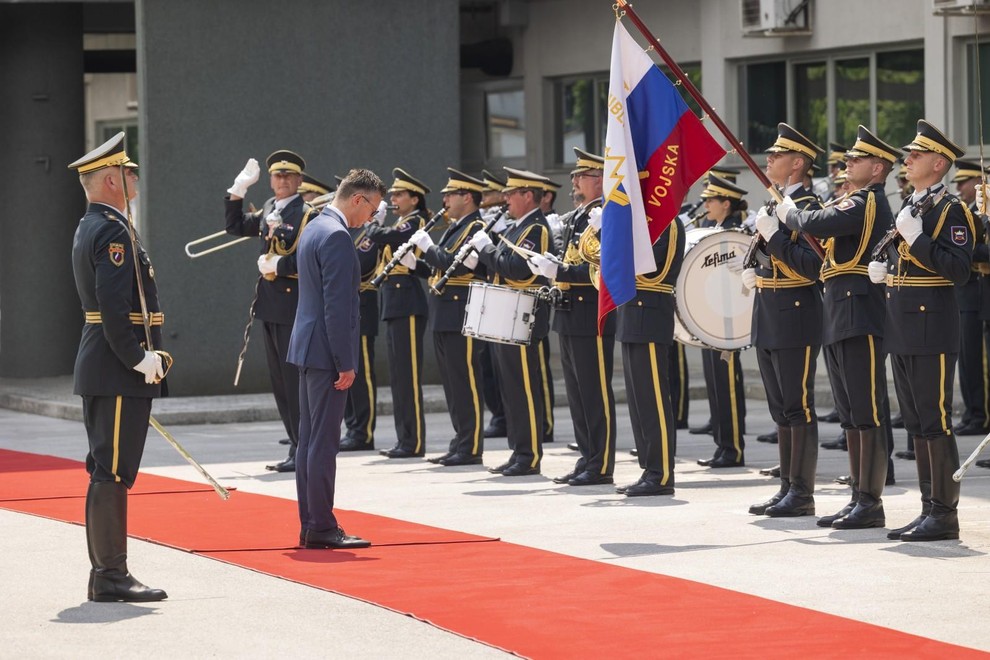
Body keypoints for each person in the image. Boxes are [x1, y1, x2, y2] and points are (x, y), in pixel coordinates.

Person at [776, 125, 897, 530]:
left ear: (877, 168)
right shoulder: (855, 199)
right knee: (850, 413)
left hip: (860, 311)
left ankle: (871, 502)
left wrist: (789, 214)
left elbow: (818, 222)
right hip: (841, 310)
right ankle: (857, 497)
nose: (847, 163)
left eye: (856, 159)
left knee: (867, 409)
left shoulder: (866, 201)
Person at [69, 132, 168, 602]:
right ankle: (111, 576)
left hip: (106, 365)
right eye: (129, 172)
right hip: (116, 367)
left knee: (107, 469)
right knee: (111, 471)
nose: (135, 178)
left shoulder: (96, 223)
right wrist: (137, 358)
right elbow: (112, 305)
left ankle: (106, 573)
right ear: (111, 180)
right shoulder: (111, 230)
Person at [867, 120, 974, 542]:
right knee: (916, 422)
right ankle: (929, 507)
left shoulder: (951, 210)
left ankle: (945, 513)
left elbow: (958, 269)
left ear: (938, 163)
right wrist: (887, 268)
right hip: (903, 322)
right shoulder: (914, 205)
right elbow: (907, 261)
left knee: (935, 419)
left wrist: (917, 241)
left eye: (915, 154)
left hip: (932, 324)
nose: (906, 159)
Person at [288, 168, 385, 550]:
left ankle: (311, 523)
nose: (372, 218)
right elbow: (337, 307)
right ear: (357, 199)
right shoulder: (339, 237)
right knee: (323, 443)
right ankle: (322, 526)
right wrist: (347, 361)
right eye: (373, 209)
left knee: (309, 441)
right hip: (328, 352)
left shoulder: (313, 227)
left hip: (307, 347)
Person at [743, 123, 824, 517]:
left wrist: (774, 238)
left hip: (796, 314)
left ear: (797, 163)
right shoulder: (773, 203)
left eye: (777, 154)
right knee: (779, 408)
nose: (769, 158)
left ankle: (802, 494)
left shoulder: (808, 209)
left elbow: (815, 266)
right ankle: (787, 487)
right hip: (768, 311)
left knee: (798, 406)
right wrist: (753, 264)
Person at [529, 148, 617, 486]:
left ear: (599, 181)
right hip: (568, 311)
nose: (574, 181)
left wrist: (561, 269)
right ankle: (587, 458)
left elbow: (602, 267)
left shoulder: (606, 214)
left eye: (581, 176)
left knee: (594, 391)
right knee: (578, 394)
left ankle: (602, 463)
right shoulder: (579, 215)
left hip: (591, 313)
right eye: (574, 176)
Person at [225, 150, 315, 473]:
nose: (282, 181)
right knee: (280, 384)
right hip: (268, 306)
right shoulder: (268, 209)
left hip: (292, 308)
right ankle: (295, 444)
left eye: (289, 176)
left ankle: (302, 447)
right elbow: (235, 226)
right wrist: (238, 190)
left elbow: (311, 259)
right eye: (277, 176)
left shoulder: (308, 215)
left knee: (294, 383)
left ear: (300, 181)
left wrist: (280, 264)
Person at [469, 168, 553, 476]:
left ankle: (529, 455)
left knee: (523, 388)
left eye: (510, 194)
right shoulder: (517, 227)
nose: (505, 200)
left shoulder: (536, 229)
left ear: (527, 196)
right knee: (511, 388)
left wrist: (487, 250)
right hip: (506, 314)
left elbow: (519, 269)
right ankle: (518, 451)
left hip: (522, 315)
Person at [407, 169, 489, 466]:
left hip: (462, 310)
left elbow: (458, 266)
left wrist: (428, 248)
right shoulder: (456, 227)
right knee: (452, 382)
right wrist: (416, 263)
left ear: (467, 197)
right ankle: (460, 441)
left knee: (465, 379)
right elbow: (439, 270)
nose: (444, 199)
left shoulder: (476, 227)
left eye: (450, 194)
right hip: (444, 310)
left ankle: (471, 446)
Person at [612, 216, 686, 496]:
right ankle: (649, 469)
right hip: (631, 314)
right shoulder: (641, 223)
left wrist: (619, 246)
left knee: (654, 399)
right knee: (639, 401)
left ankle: (662, 473)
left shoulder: (669, 223)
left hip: (651, 313)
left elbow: (655, 271)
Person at [365, 168, 430, 459]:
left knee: (408, 376)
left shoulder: (416, 221)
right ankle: (404, 439)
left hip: (408, 302)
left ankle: (413, 441)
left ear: (414, 199)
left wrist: (372, 223)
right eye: (392, 193)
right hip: (393, 302)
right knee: (398, 377)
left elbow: (386, 237)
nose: (394, 198)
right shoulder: (403, 220)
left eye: (400, 194)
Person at [695, 175, 748, 468]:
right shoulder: (713, 230)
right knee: (716, 386)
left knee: (726, 386)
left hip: (726, 321)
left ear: (726, 203)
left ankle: (733, 449)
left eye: (710, 200)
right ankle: (722, 445)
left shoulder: (733, 233)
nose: (705, 204)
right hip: (711, 318)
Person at [949, 160, 990, 436]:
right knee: (967, 360)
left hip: (979, 294)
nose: (963, 188)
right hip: (968, 294)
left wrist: (964, 251)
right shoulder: (972, 213)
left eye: (967, 182)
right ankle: (974, 414)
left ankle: (981, 416)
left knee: (980, 364)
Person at [340, 209, 383, 451]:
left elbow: (361, 263)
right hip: (344, 311)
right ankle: (352, 426)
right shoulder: (350, 231)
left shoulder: (369, 233)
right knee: (345, 374)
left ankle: (364, 432)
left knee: (362, 375)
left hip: (362, 309)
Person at [478, 169, 508, 439]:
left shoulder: (508, 222)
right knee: (488, 364)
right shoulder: (487, 220)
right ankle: (499, 414)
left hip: (508, 299)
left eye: (489, 194)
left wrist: (498, 236)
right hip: (489, 296)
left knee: (510, 368)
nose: (484, 199)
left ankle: (540, 424)